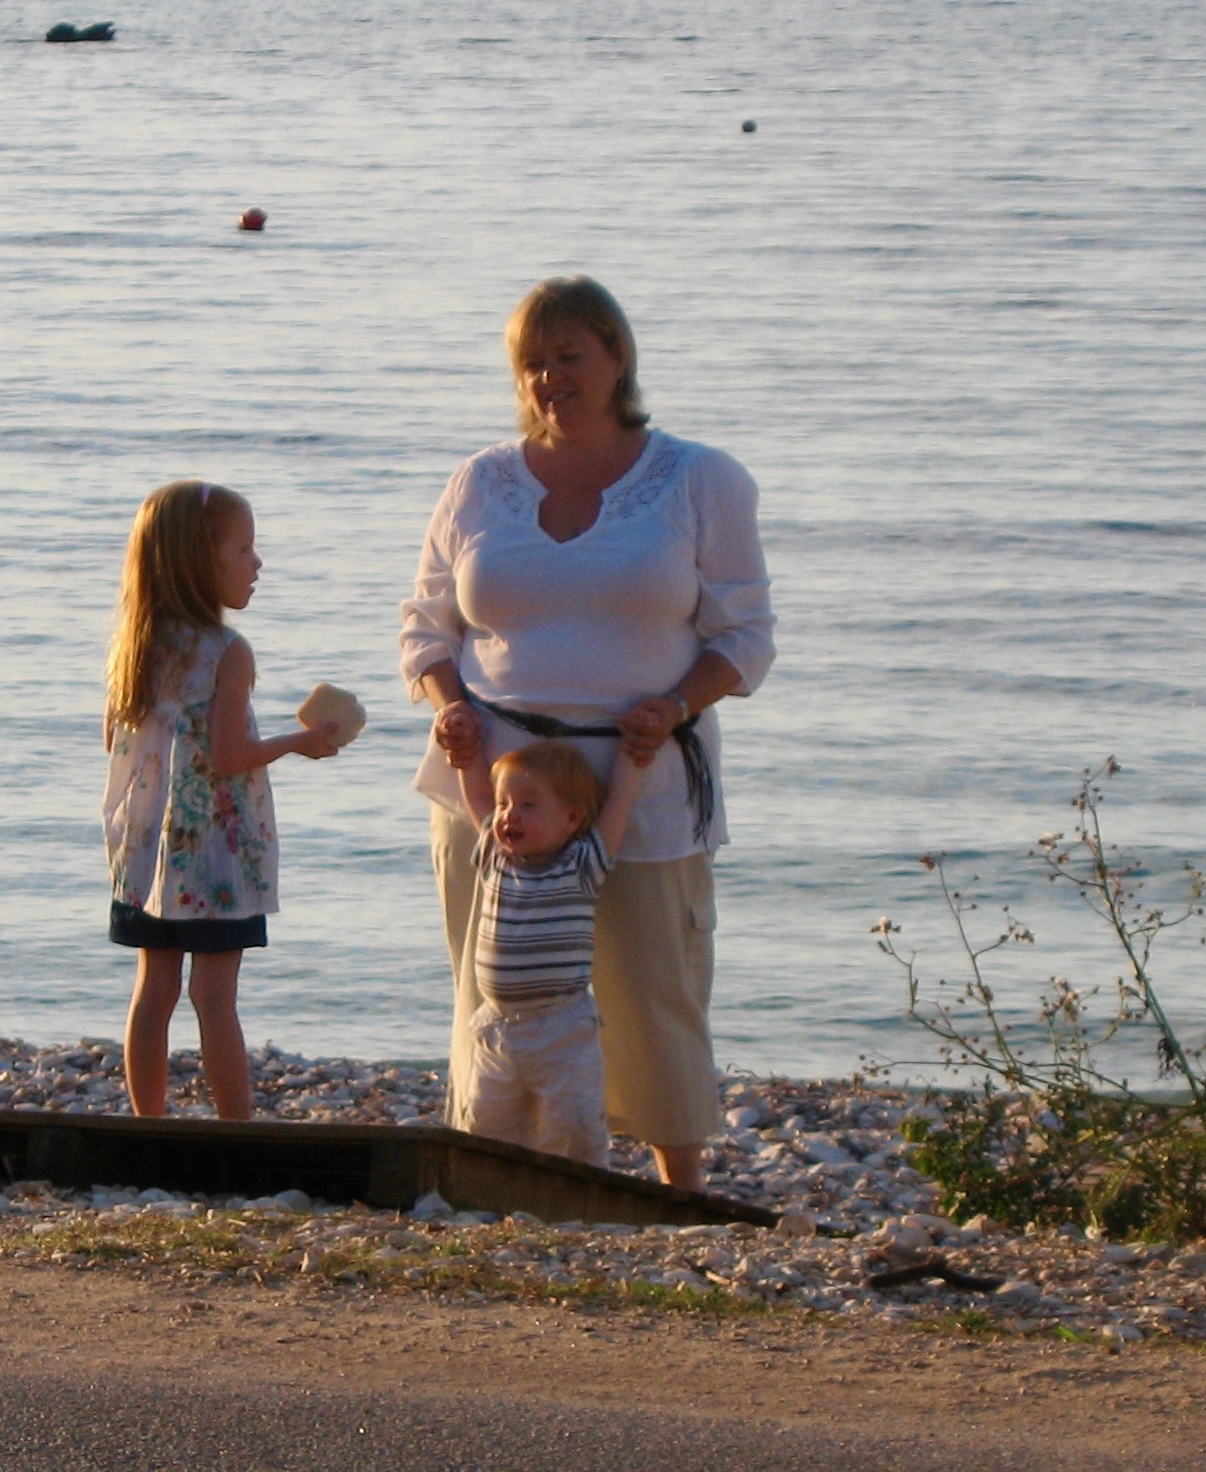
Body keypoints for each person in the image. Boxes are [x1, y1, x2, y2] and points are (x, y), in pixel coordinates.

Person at [398, 276, 775, 1188]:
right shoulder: (480, 480)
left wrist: (675, 706)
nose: (548, 378)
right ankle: (498, 1172)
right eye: (531, 363)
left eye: (568, 356)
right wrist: (449, 704)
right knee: (497, 987)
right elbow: (426, 625)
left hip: (641, 773)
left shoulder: (700, 478)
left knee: (653, 987)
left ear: (617, 357)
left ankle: (678, 1185)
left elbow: (745, 638)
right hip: (494, 780)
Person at [102, 480, 340, 1121]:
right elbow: (230, 755)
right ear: (200, 562)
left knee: (155, 987)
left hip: (148, 853)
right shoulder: (228, 653)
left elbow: (116, 743)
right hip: (213, 858)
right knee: (214, 996)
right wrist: (299, 741)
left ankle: (149, 1124)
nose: (257, 563)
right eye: (243, 549)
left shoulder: (134, 646)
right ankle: (236, 1130)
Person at [453, 735, 653, 1165]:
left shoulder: (581, 862)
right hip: (498, 1027)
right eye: (505, 804)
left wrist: (631, 758)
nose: (509, 815)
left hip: (562, 1026)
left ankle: (578, 1189)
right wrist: (466, 755)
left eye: (528, 805)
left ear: (571, 819)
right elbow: (476, 795)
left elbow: (618, 805)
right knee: (489, 1127)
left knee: (573, 1127)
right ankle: (491, 1190)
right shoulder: (495, 855)